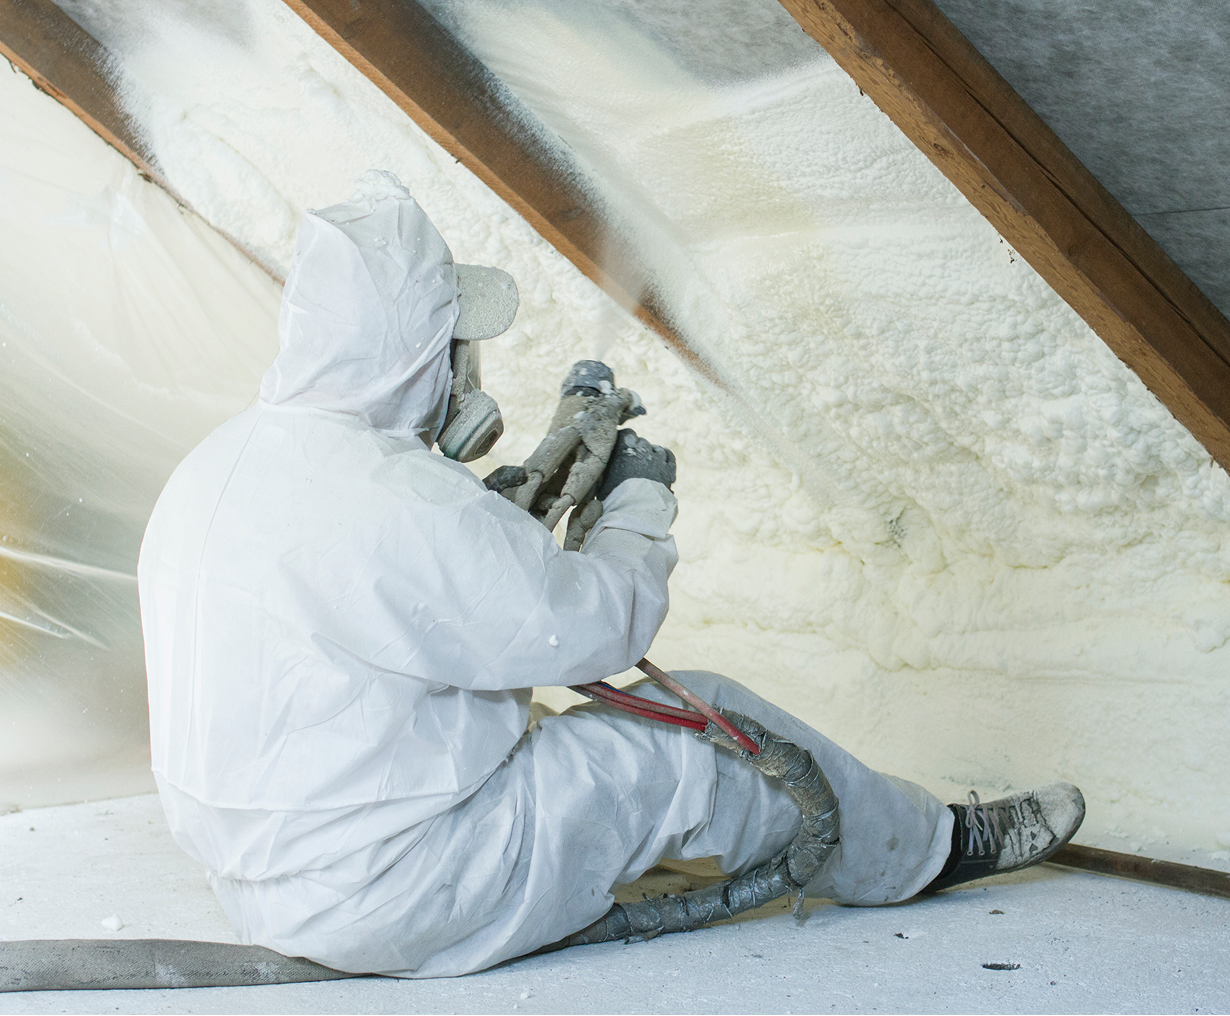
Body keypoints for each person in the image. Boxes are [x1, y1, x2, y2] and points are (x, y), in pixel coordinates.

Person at [138, 172, 1084, 978]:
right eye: (452, 342)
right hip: (402, 889)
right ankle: (931, 852)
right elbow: (596, 631)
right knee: (704, 728)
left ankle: (913, 844)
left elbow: (381, 608)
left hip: (263, 885)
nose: (463, 366)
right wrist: (637, 506)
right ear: (418, 350)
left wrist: (494, 517)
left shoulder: (220, 467)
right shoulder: (400, 502)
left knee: (560, 741)